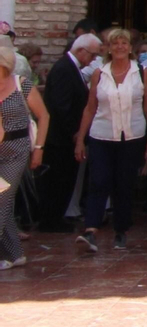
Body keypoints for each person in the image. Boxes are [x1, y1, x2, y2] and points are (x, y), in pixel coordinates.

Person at [74, 27, 147, 253]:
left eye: (124, 43)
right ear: (109, 48)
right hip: (102, 135)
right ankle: (91, 229)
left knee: (124, 184)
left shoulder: (142, 72)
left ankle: (121, 229)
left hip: (132, 136)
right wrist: (81, 138)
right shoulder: (99, 73)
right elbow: (90, 107)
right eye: (115, 43)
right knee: (98, 181)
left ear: (130, 47)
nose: (120, 47)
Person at [37, 33, 96, 231]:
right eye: (92, 55)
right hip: (59, 138)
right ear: (81, 51)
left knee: (64, 179)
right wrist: (75, 132)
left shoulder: (71, 68)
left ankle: (56, 217)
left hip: (64, 136)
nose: (93, 60)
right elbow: (61, 106)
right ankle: (51, 220)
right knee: (57, 180)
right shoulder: (64, 68)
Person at [0, 41, 48, 269]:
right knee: (5, 202)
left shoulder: (22, 85)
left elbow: (44, 116)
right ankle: (14, 254)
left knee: (1, 198)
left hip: (15, 151)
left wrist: (38, 149)